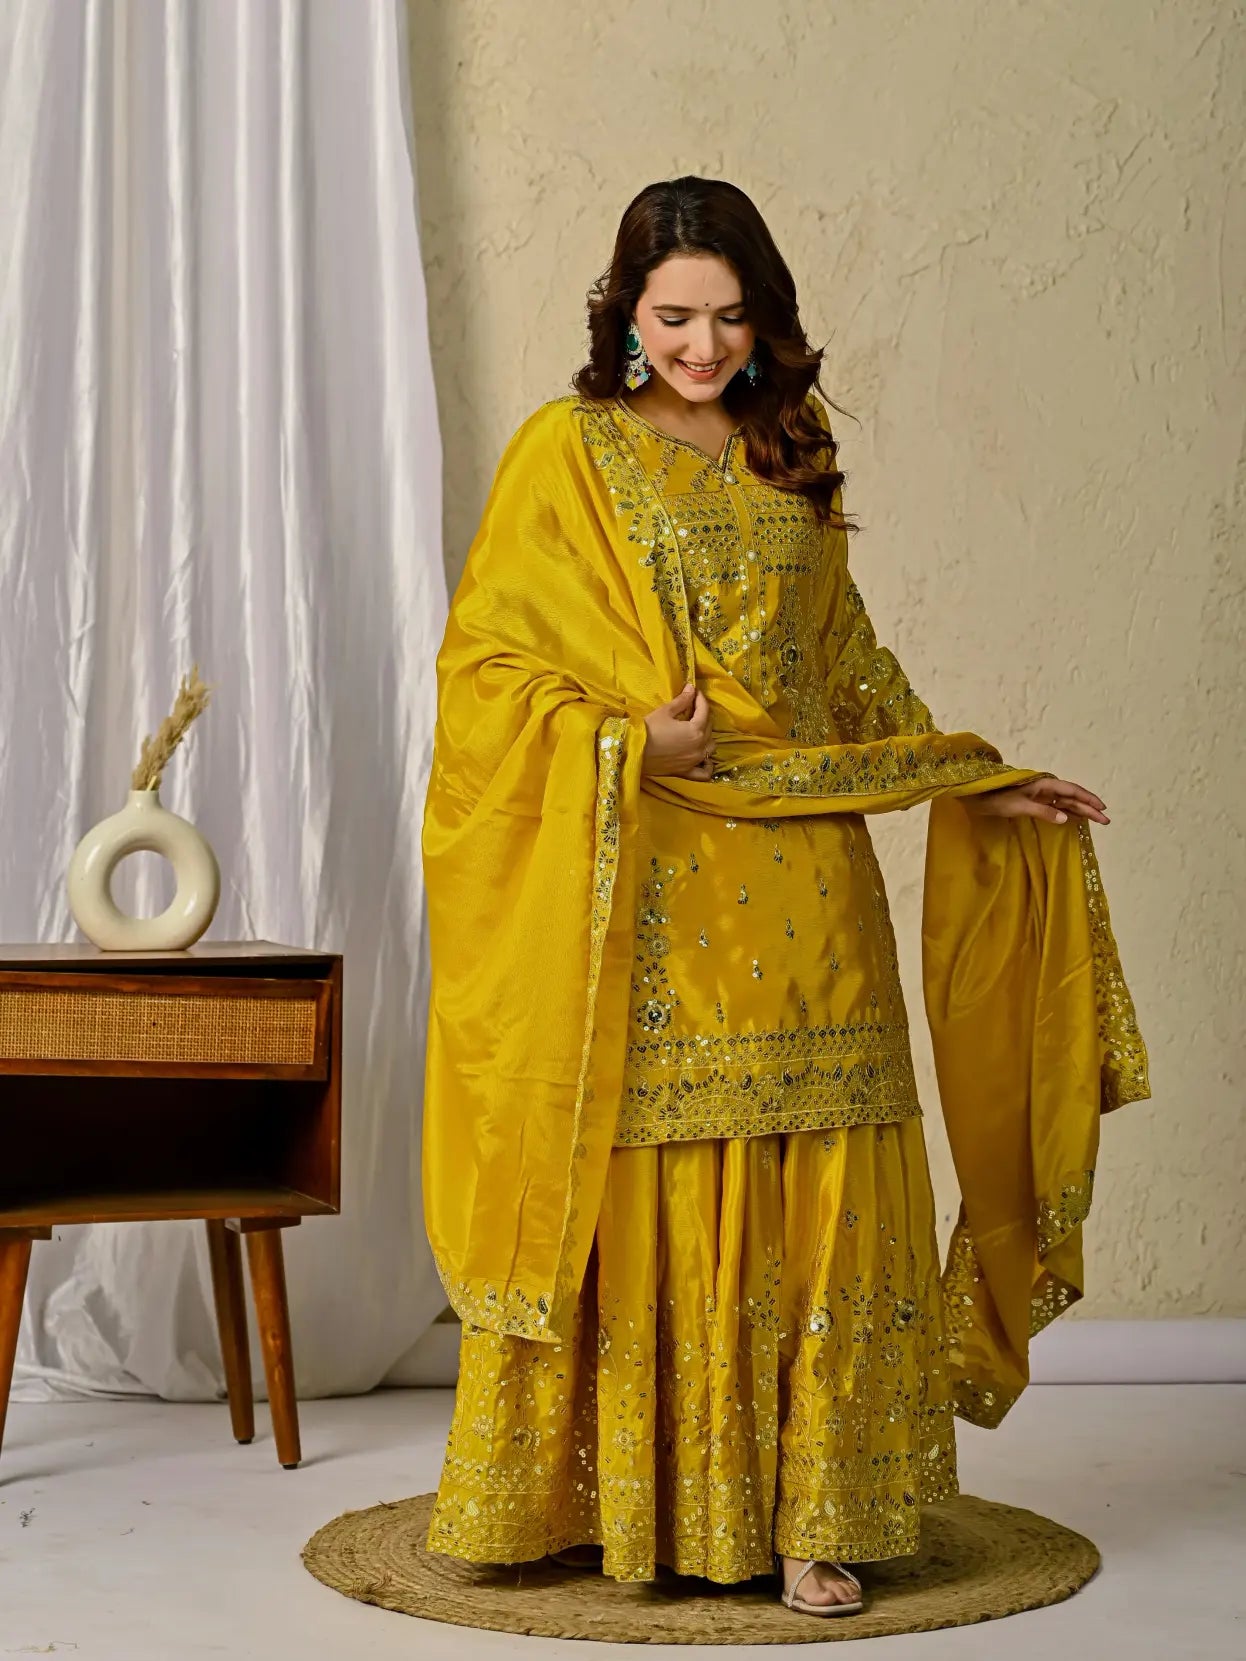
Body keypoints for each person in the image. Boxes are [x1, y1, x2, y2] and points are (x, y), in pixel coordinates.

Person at [420, 176, 1148, 1616]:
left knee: (828, 1174)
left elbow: (846, 668)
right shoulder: (565, 454)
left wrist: (964, 779)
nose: (700, 345)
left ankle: (818, 1510)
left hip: (807, 873)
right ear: (623, 313)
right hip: (649, 881)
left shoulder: (784, 442)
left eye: (729, 315)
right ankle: (625, 1506)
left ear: (766, 319)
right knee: (657, 1176)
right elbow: (482, 677)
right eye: (673, 315)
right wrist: (631, 742)